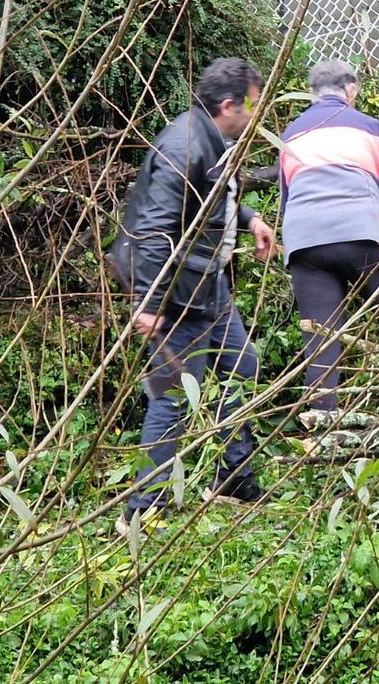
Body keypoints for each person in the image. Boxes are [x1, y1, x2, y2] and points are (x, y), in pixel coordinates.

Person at [111, 57, 276, 536]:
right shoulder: (184, 144)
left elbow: (210, 195)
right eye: (252, 104)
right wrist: (149, 300)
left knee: (241, 369)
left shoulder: (214, 139)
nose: (257, 113)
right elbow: (155, 227)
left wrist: (248, 218)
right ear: (228, 106)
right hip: (177, 293)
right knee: (174, 397)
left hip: (209, 285)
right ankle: (144, 511)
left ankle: (232, 477)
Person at [278, 60, 379, 416]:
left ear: (311, 95)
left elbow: (286, 202)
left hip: (305, 240)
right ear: (352, 90)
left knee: (320, 333)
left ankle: (323, 419)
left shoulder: (290, 134)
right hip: (363, 231)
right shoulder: (368, 126)